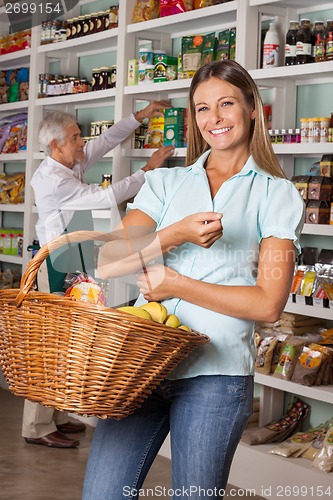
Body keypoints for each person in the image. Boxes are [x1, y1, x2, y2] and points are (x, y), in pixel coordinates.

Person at [82, 60, 305, 499]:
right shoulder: (165, 182)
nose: (214, 119)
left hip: (216, 377)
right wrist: (175, 233)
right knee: (102, 495)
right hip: (141, 365)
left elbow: (267, 305)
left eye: (226, 104)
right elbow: (109, 260)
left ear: (252, 108)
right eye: (202, 108)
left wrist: (176, 285)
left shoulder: (276, 193)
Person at [22, 101, 175, 449]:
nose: (83, 142)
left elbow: (105, 141)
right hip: (54, 262)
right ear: (56, 146)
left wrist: (141, 116)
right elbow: (107, 197)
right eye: (76, 137)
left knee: (70, 341)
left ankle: (58, 415)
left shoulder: (68, 161)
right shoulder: (51, 180)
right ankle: (37, 426)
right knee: (52, 344)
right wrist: (149, 170)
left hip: (73, 257)